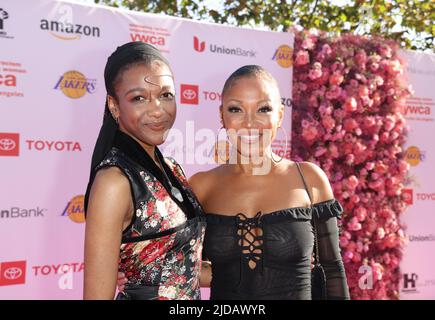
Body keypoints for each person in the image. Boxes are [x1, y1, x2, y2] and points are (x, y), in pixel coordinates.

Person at [118, 65, 350, 300]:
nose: (250, 123)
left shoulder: (309, 180)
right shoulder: (201, 187)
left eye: (263, 109)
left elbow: (332, 270)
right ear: (222, 115)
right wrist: (138, 271)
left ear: (280, 115)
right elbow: (182, 267)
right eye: (236, 109)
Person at [83, 42, 206, 300]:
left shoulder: (172, 168)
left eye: (166, 95)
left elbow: (180, 269)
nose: (158, 110)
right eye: (139, 98)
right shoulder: (114, 182)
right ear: (114, 105)